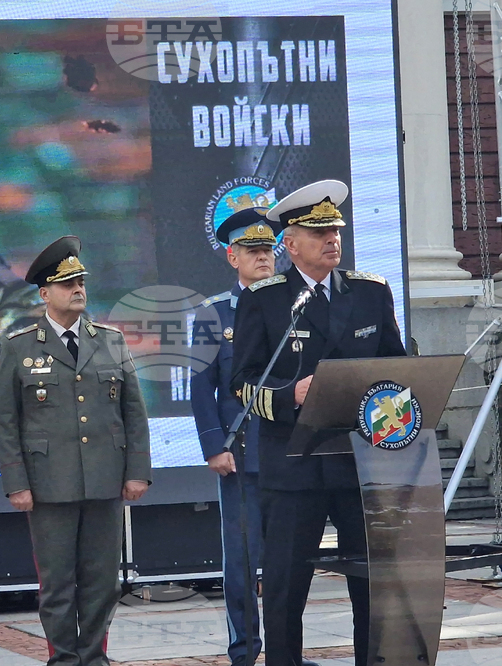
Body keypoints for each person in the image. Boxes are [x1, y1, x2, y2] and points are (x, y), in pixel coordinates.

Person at [230, 181, 407, 666]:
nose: (333, 239)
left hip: (358, 464)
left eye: (336, 230)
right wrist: (291, 395)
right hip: (294, 466)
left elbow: (396, 369)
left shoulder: (371, 292)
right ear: (289, 243)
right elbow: (242, 383)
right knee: (287, 589)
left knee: (371, 586)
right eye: (319, 231)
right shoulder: (265, 299)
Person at [0, 236, 152, 666]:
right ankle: (63, 658)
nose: (78, 289)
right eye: (67, 284)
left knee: (102, 581)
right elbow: (5, 422)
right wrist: (16, 483)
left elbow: (133, 413)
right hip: (49, 485)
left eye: (80, 281)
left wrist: (137, 471)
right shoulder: (19, 346)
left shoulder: (111, 341)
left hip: (104, 479)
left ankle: (93, 657)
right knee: (58, 584)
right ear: (45, 293)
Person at [190, 208, 278, 666]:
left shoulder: (292, 304)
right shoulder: (215, 313)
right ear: (233, 258)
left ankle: (286, 650)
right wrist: (214, 446)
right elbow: (202, 387)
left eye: (269, 250)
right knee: (242, 564)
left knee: (287, 563)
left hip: (289, 453)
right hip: (240, 454)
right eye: (254, 251)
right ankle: (245, 652)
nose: (264, 258)